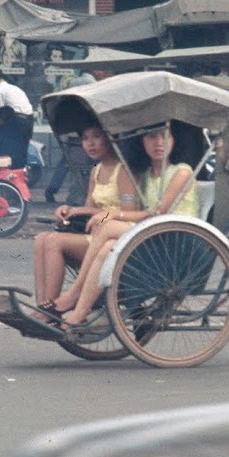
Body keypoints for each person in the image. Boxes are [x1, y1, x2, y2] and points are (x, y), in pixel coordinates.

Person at [43, 122, 200, 333]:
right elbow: (104, 209)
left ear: (174, 141)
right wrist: (76, 210)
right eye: (151, 137)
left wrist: (113, 214)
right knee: (108, 245)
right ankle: (79, 313)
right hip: (148, 232)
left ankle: (73, 295)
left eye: (164, 137)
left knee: (108, 229)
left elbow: (156, 213)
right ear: (142, 142)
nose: (158, 143)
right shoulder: (144, 175)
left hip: (173, 237)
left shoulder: (181, 172)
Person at [31, 123, 136, 314]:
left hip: (115, 237)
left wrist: (103, 216)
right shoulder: (96, 171)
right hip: (95, 232)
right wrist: (70, 209)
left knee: (54, 242)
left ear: (109, 138)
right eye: (85, 139)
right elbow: (90, 208)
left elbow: (129, 211)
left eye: (96, 136)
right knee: (41, 240)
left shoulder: (122, 172)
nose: (90, 143)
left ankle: (54, 309)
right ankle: (43, 304)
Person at [44, 67, 115, 203]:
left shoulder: (74, 82)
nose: (105, 74)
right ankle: (80, 194)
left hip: (71, 130)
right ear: (97, 71)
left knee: (67, 162)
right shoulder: (91, 84)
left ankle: (52, 189)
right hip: (83, 130)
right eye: (104, 71)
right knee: (86, 164)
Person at [0, 67, 34, 168]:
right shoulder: (15, 88)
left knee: (10, 150)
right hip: (29, 121)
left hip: (17, 121)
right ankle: (22, 174)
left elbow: (2, 114)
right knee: (22, 150)